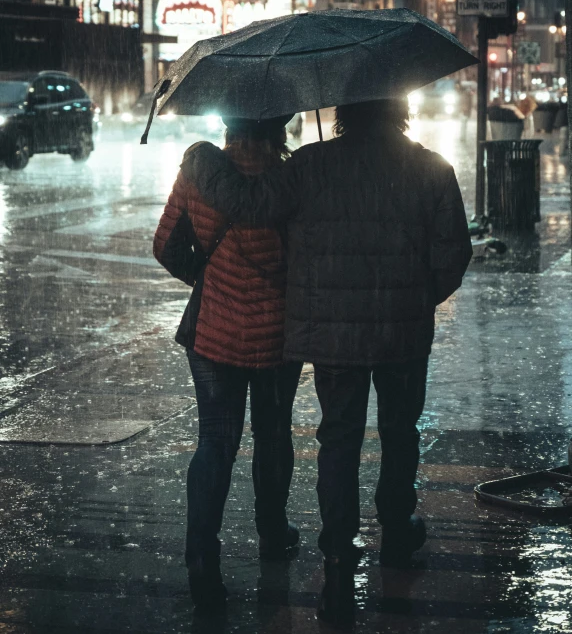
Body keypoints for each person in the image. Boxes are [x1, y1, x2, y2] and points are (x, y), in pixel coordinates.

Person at [183, 98, 473, 627]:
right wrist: (415, 299)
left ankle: (338, 548)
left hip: (333, 337)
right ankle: (397, 532)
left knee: (338, 437)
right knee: (400, 431)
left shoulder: (310, 165)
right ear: (400, 110)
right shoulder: (433, 169)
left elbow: (248, 206)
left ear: (345, 111)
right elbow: (454, 255)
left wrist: (200, 158)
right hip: (403, 335)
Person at [153, 115, 303, 614]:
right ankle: (273, 533)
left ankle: (200, 556)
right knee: (274, 434)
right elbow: (304, 255)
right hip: (276, 336)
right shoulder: (291, 177)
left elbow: (166, 244)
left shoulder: (199, 170)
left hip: (213, 333)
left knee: (215, 440)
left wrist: (207, 274)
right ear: (279, 126)